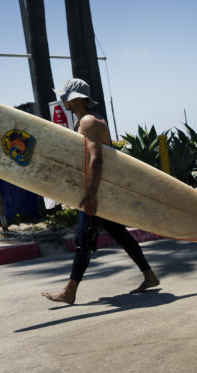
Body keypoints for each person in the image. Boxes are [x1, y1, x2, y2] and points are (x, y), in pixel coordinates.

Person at [42, 78, 159, 305]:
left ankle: (70, 291)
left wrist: (92, 194)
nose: (62, 100)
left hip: (97, 189)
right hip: (98, 188)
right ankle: (150, 275)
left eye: (64, 96)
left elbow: (96, 161)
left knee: (82, 237)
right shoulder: (82, 122)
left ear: (74, 98)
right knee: (119, 234)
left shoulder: (88, 122)